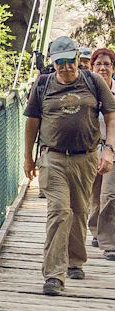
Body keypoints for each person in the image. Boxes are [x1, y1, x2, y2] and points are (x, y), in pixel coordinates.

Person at [24, 36, 115, 294]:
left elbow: (111, 114)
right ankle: (54, 274)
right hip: (52, 157)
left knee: (78, 210)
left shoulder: (93, 81)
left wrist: (108, 148)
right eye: (59, 63)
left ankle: (75, 260)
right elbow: (32, 121)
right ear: (53, 63)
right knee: (59, 211)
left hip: (85, 157)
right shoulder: (42, 85)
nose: (65, 67)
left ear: (78, 59)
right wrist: (28, 157)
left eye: (69, 61)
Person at [90, 47, 115, 252]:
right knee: (93, 193)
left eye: (107, 64)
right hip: (89, 149)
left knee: (109, 194)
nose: (103, 68)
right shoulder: (87, 91)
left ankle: (108, 242)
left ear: (113, 68)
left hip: (112, 147)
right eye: (98, 64)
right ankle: (95, 230)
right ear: (92, 67)